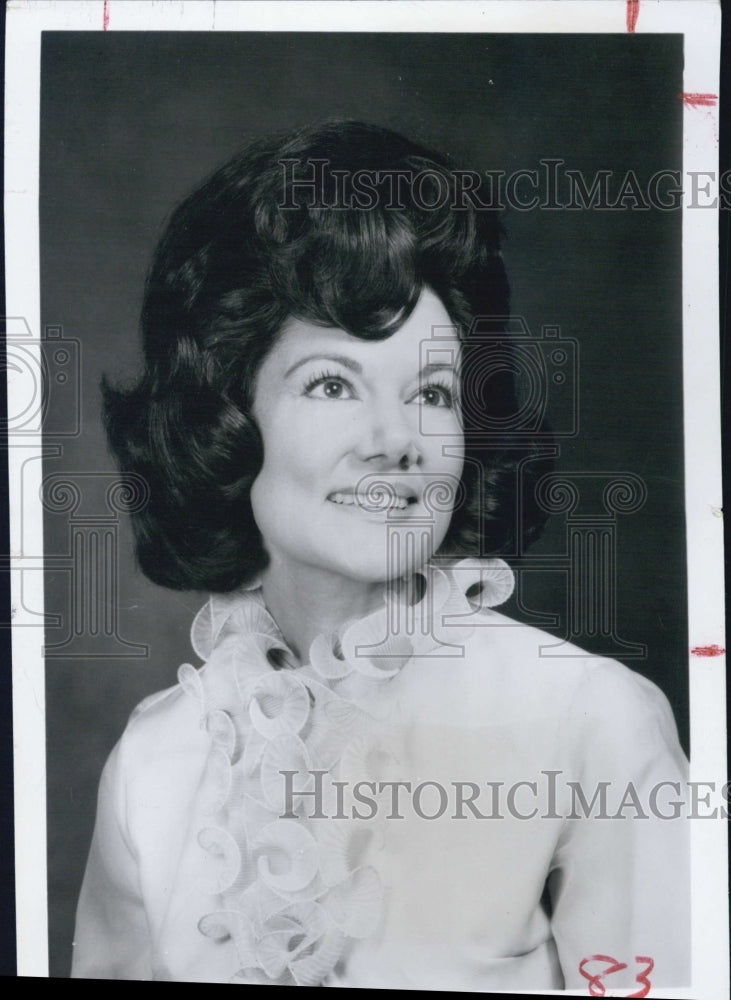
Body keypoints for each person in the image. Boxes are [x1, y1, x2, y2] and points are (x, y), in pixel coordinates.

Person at [71, 121, 689, 989]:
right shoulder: (154, 762)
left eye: (431, 392)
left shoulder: (590, 720)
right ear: (229, 419)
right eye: (332, 384)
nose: (395, 439)